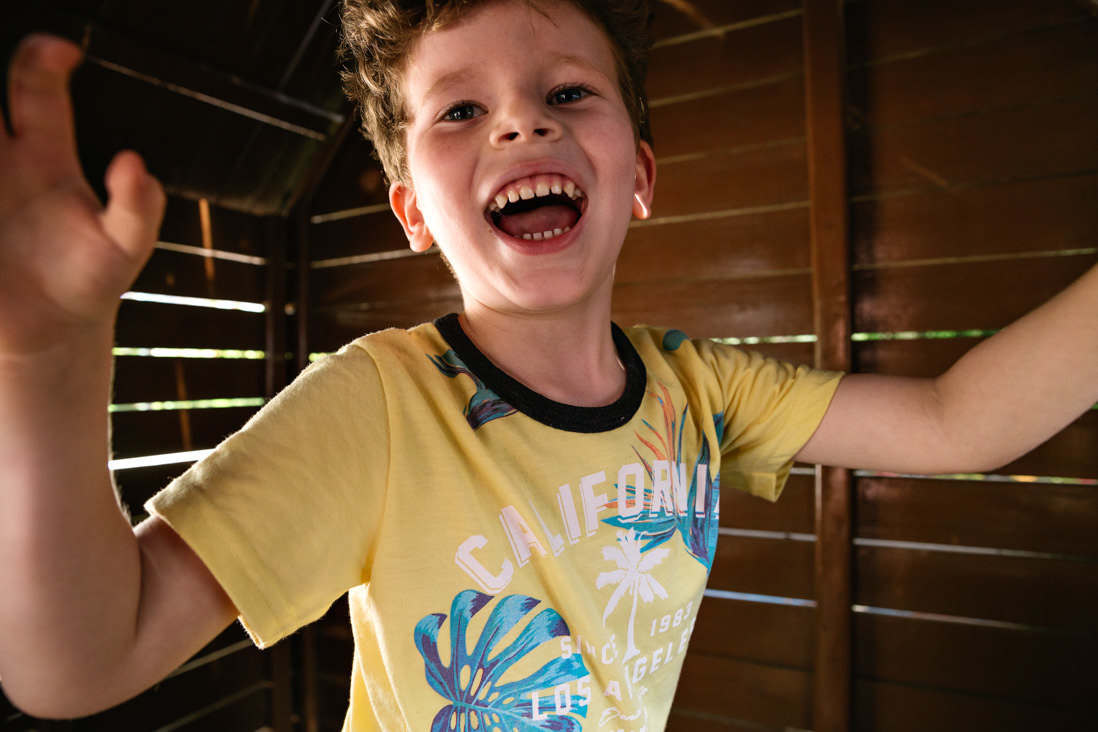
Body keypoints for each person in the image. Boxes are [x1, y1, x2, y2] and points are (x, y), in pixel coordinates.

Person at [0, 0, 1094, 729]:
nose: (521, 121)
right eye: (463, 108)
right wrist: (47, 360)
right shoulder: (375, 404)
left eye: (568, 92)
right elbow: (80, 664)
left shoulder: (700, 391)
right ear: (413, 213)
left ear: (642, 174)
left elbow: (963, 421)